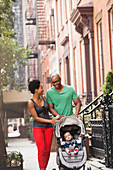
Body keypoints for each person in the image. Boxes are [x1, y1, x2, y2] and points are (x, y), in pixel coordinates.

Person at [28, 79, 58, 170]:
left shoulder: (44, 98)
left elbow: (51, 108)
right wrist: (50, 121)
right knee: (42, 150)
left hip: (48, 128)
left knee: (48, 150)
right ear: (36, 90)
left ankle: (43, 168)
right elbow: (36, 118)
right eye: (41, 87)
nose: (43, 89)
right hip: (38, 127)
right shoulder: (30, 103)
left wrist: (58, 116)